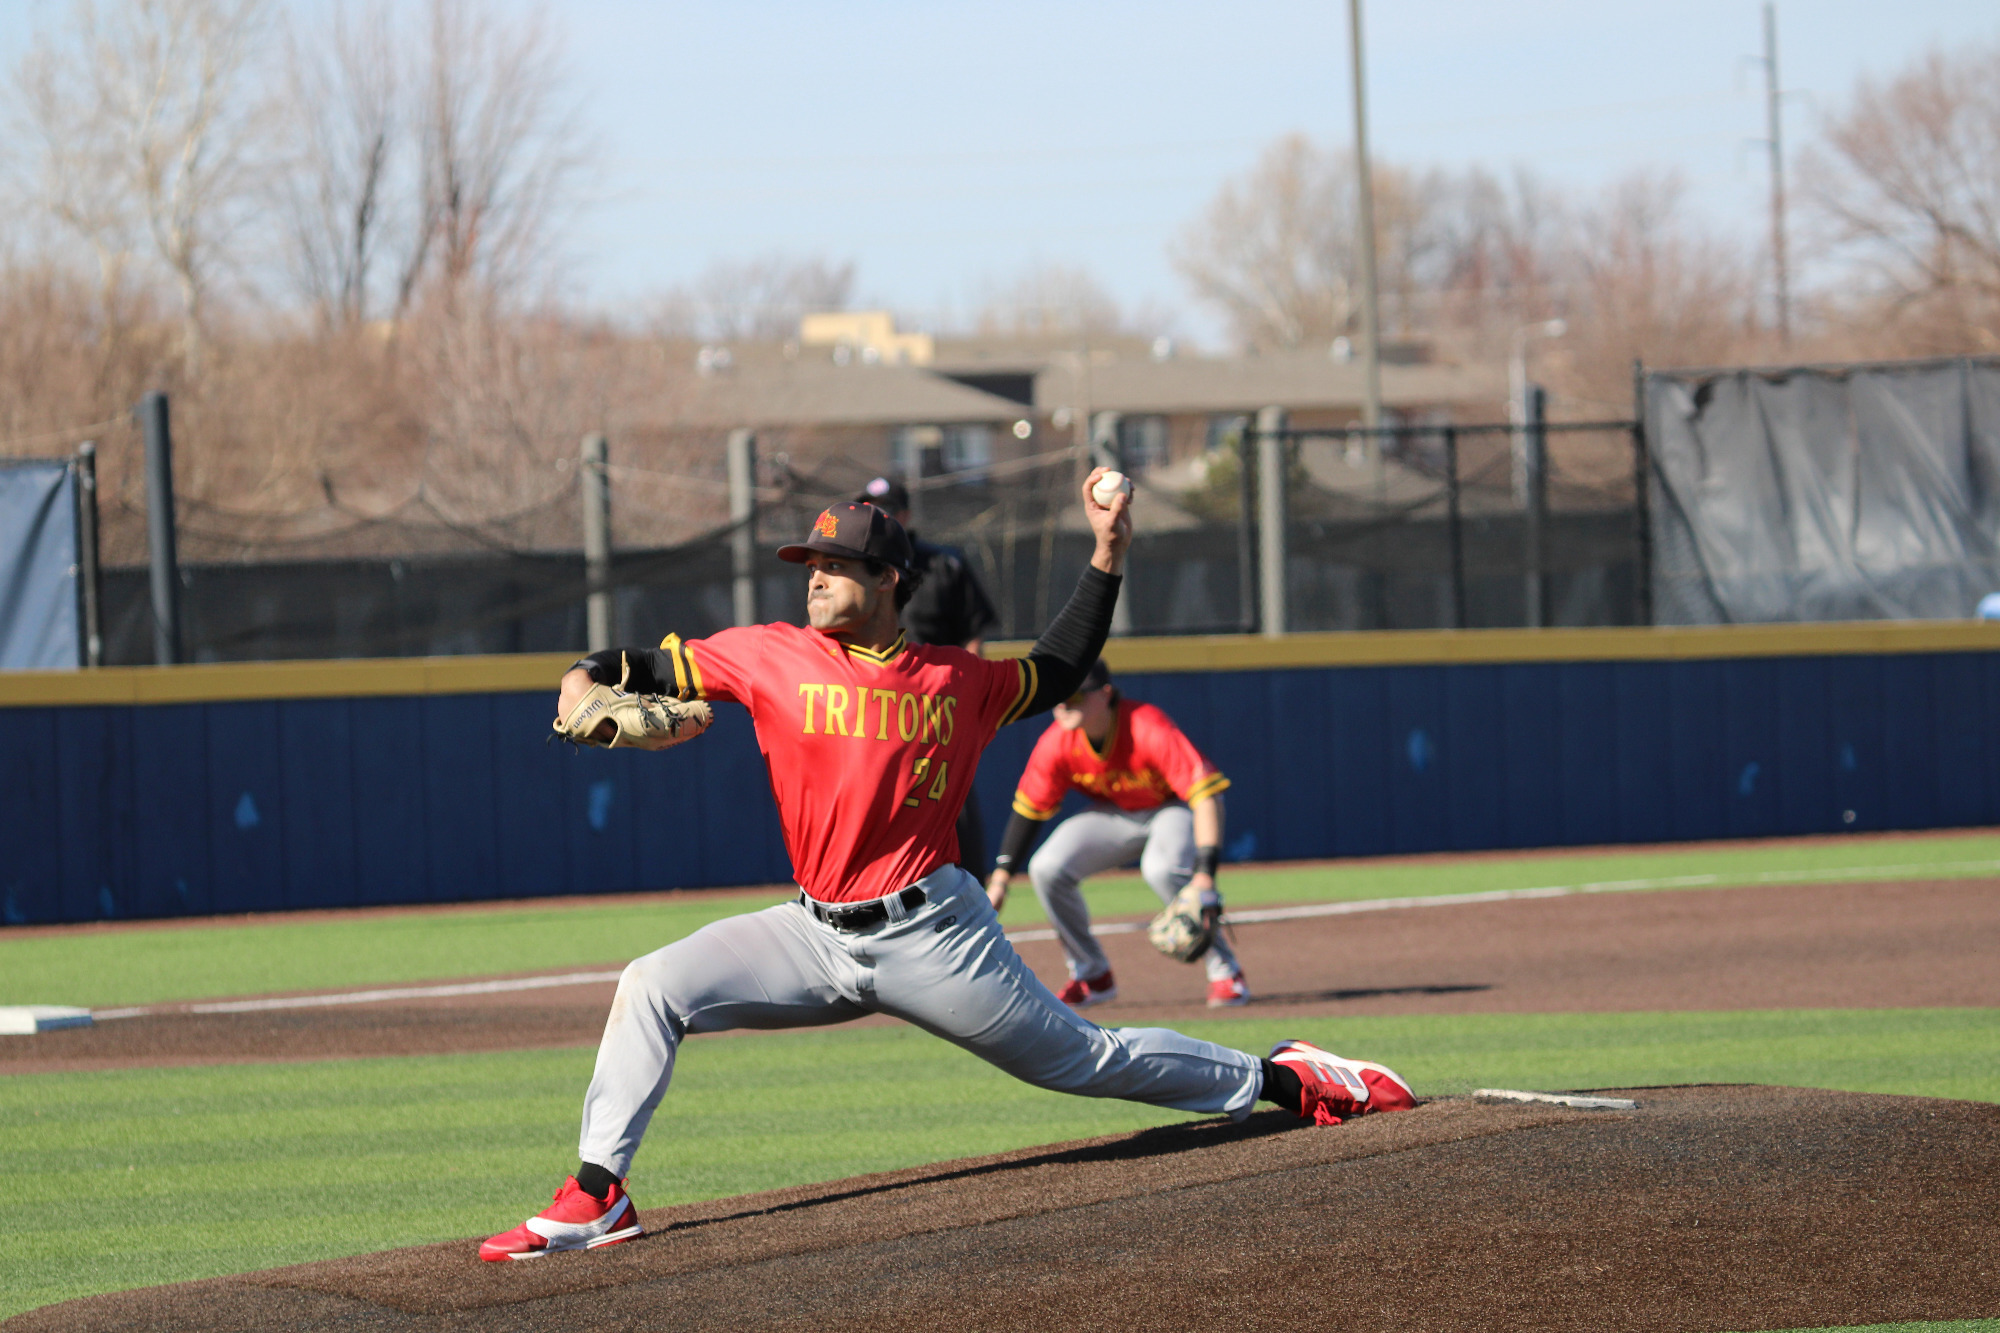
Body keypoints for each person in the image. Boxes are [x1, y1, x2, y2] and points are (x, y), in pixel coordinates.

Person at [479, 470, 1414, 1262]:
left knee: (1086, 1060)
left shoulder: (953, 682)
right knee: (652, 984)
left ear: (887, 578)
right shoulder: (767, 655)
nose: (813, 579)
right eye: (807, 564)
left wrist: (1108, 555)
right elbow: (640, 662)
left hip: (935, 935)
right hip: (811, 931)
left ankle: (1286, 1079)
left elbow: (1057, 666)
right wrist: (583, 676)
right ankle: (600, 1192)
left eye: (836, 565)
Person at [985, 659, 1249, 1008]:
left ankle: (1226, 971)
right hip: (1116, 815)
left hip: (1171, 809)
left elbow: (1207, 795)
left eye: (1076, 695)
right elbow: (1029, 810)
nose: (1063, 704)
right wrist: (1001, 879)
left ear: (1105, 694)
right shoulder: (1058, 742)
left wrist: (1205, 875)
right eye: (1058, 697)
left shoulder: (1146, 725)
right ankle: (1092, 974)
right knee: (1046, 867)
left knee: (1161, 869)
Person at [856, 475, 1000, 877]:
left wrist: (967, 699)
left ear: (903, 515)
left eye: (883, 510)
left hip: (937, 708)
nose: (876, 518)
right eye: (868, 510)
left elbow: (974, 634)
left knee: (954, 806)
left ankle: (972, 893)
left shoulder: (942, 564)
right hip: (873, 709)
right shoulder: (850, 573)